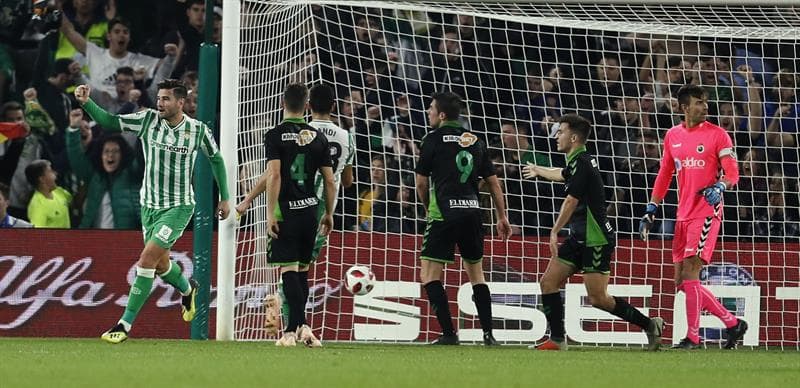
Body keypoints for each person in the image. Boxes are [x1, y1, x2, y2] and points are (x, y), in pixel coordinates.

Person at [74, 79, 231, 344]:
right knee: (160, 265)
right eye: (159, 98)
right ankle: (187, 287)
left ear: (181, 102)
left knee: (146, 260)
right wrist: (86, 102)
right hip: (150, 205)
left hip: (178, 206)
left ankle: (124, 324)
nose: (160, 103)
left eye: (166, 99)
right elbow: (112, 122)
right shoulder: (147, 120)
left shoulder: (198, 131)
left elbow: (216, 158)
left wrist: (225, 197)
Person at [523, 113, 665, 351]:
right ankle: (557, 339)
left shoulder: (583, 163)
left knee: (598, 299)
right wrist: (538, 169)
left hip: (596, 238)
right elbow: (561, 174)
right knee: (548, 282)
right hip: (580, 236)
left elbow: (570, 201)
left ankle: (650, 324)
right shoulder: (576, 161)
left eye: (562, 131)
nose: (557, 136)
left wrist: (554, 230)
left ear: (575, 137)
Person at [236, 83, 350, 346]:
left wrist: (269, 213)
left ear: (282, 103)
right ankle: (304, 327)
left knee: (288, 271)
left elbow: (274, 175)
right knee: (302, 272)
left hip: (286, 210)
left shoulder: (275, 135)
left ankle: (289, 332)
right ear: (306, 105)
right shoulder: (319, 137)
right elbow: (331, 181)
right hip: (311, 211)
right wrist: (329, 214)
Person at [639, 84, 748, 349]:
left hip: (707, 212)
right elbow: (665, 174)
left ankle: (693, 337)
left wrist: (720, 186)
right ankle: (733, 323)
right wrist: (651, 207)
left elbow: (732, 172)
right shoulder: (672, 135)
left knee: (691, 274)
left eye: (706, 102)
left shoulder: (718, 135)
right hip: (682, 214)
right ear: (683, 107)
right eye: (699, 102)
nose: (705, 106)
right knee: (681, 283)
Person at [415, 92, 512, 346]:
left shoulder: (431, 139)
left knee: (430, 275)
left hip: (443, 214)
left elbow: (422, 183)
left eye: (431, 109)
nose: (428, 112)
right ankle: (489, 335)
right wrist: (502, 216)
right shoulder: (476, 141)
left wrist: (428, 209)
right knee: (476, 274)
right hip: (471, 212)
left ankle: (449, 334)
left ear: (442, 115)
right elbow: (493, 183)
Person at [65, 108, 142, 229]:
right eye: (106, 151)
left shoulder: (132, 173)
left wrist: (144, 129)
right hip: (95, 241)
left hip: (126, 241)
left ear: (123, 155)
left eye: (115, 151)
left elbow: (143, 157)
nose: (110, 155)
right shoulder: (94, 177)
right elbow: (76, 159)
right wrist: (73, 129)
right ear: (100, 156)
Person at [25, 159, 72, 228]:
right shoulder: (37, 207)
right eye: (50, 171)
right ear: (42, 179)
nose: (55, 173)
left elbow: (72, 202)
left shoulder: (59, 192)